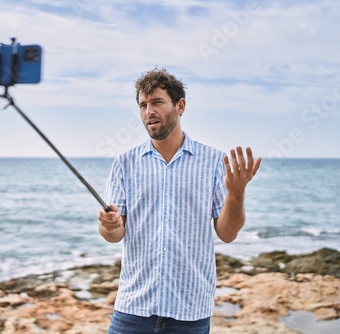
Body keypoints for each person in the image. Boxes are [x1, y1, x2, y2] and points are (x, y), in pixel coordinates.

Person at [98, 68, 261, 333]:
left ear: (180, 105)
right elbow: (115, 234)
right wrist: (109, 224)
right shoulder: (125, 163)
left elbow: (228, 233)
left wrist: (237, 192)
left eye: (157, 102)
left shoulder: (214, 162)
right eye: (143, 105)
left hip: (190, 313)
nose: (149, 111)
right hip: (132, 310)